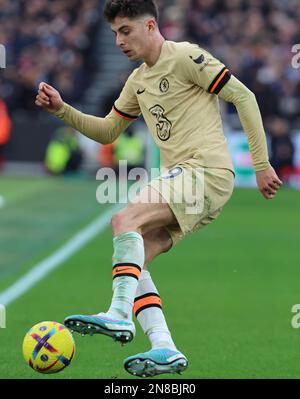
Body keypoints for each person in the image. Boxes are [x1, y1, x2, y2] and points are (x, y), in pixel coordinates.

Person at [35, 0, 282, 378]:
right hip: (190, 182)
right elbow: (107, 131)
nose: (119, 40)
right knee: (134, 262)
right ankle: (164, 345)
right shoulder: (137, 81)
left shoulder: (186, 56)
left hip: (205, 171)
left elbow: (243, 97)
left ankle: (119, 316)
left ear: (150, 26)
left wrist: (261, 164)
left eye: (126, 31)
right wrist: (62, 110)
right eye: (115, 33)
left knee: (123, 219)